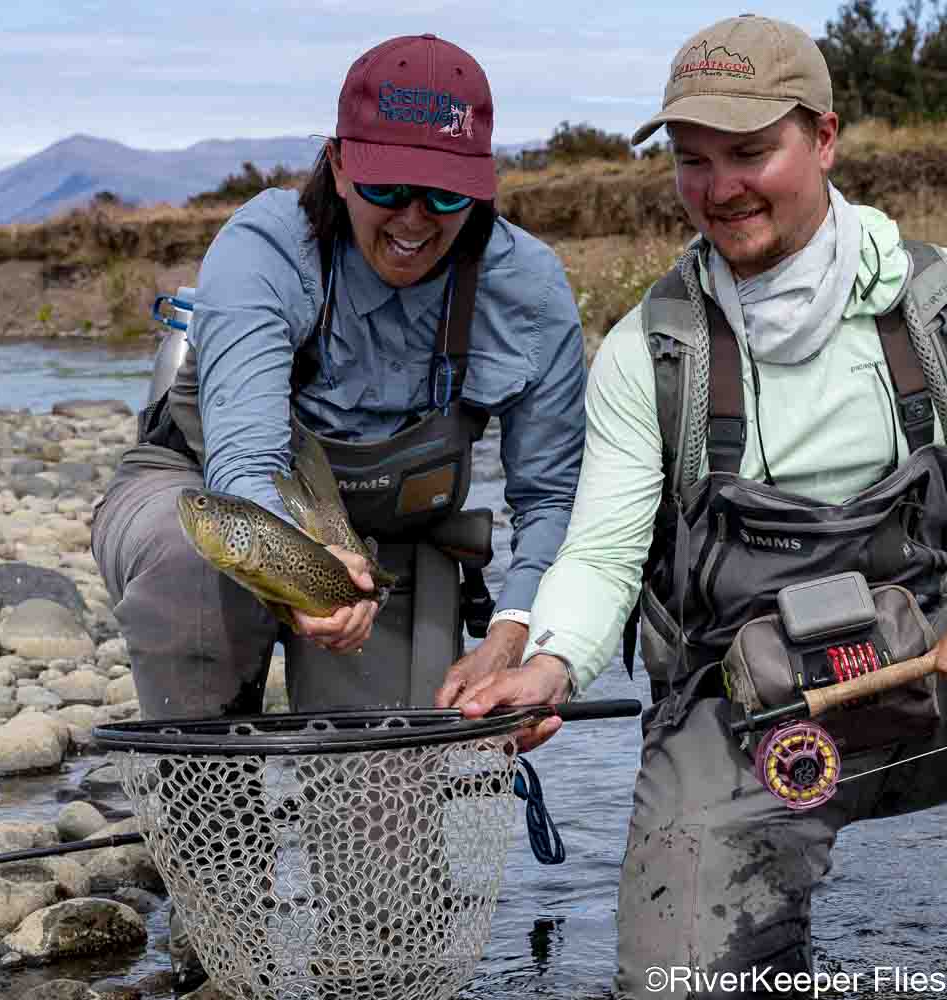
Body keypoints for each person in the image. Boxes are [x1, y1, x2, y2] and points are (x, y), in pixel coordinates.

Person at [452, 14, 947, 998]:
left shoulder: (933, 312)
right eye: (691, 160)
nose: (718, 189)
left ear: (826, 137)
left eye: (750, 152)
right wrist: (549, 662)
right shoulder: (651, 350)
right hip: (743, 723)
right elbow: (598, 555)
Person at [91, 33, 584, 989]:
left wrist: (524, 634)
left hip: (398, 544)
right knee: (196, 575)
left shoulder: (528, 290)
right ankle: (217, 923)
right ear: (336, 165)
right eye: (388, 188)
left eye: (446, 196)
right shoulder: (265, 244)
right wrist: (308, 575)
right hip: (204, 498)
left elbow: (551, 497)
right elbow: (243, 462)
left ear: (481, 190)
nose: (414, 219)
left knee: (386, 892)